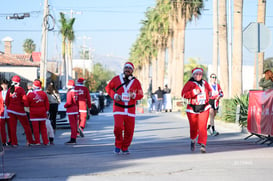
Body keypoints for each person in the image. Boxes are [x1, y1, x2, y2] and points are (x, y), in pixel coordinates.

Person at [105, 62, 143, 154]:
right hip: (118, 109)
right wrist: (114, 95)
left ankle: (125, 147)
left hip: (130, 110)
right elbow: (108, 88)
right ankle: (118, 145)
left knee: (129, 131)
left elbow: (141, 94)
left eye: (129, 68)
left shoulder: (136, 82)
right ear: (123, 69)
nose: (127, 70)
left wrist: (134, 95)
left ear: (132, 71)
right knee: (118, 127)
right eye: (126, 68)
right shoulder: (116, 79)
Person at [181, 68, 212, 153]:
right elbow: (183, 94)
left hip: (204, 107)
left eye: (200, 74)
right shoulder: (189, 83)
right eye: (196, 74)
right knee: (194, 127)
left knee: (202, 126)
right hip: (192, 108)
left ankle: (203, 144)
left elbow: (209, 90)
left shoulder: (205, 83)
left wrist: (209, 93)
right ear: (193, 75)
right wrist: (194, 92)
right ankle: (193, 139)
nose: (198, 76)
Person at [5, 75, 34, 147]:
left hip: (11, 110)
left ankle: (14, 142)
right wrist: (27, 106)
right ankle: (30, 141)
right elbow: (25, 100)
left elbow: (6, 101)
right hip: (19, 110)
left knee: (12, 127)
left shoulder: (9, 89)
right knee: (26, 126)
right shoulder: (21, 89)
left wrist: (9, 107)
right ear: (19, 82)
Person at [26, 80, 49, 145]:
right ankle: (45, 141)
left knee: (35, 128)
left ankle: (37, 141)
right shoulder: (43, 93)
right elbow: (47, 104)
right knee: (43, 128)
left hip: (33, 113)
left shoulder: (30, 94)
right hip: (42, 112)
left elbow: (27, 104)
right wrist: (46, 111)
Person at [64, 80, 79, 144]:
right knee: (75, 125)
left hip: (71, 110)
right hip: (75, 110)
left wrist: (65, 106)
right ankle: (74, 137)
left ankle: (73, 139)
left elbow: (69, 102)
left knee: (72, 125)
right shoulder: (76, 92)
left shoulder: (69, 92)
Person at [0, 79, 11, 146]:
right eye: (3, 84)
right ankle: (4, 141)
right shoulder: (0, 92)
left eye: (6, 84)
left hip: (9, 111)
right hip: (2, 111)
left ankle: (11, 140)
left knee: (10, 127)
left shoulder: (10, 92)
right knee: (2, 128)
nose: (4, 86)